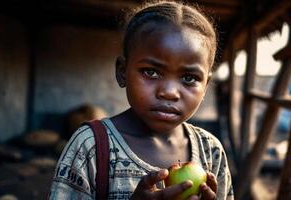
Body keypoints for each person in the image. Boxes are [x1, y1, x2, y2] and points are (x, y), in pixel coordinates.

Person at [49, 1, 233, 199]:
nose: (170, 92)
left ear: (205, 86)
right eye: (151, 72)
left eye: (189, 78)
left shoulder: (211, 151)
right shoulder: (90, 147)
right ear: (122, 72)